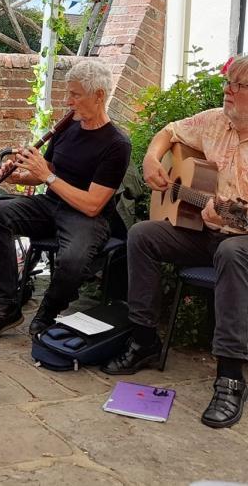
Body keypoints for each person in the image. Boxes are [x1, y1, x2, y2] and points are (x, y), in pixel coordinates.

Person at [102, 55, 248, 429]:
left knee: (232, 252)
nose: (227, 90)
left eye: (238, 85)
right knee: (143, 235)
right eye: (227, 82)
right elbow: (169, 132)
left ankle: (230, 376)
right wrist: (152, 158)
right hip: (205, 233)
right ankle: (145, 339)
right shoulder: (214, 121)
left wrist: (228, 215)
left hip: (241, 241)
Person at [0, 59, 131, 342]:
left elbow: (93, 203)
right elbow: (51, 172)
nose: (68, 101)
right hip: (51, 205)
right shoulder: (68, 127)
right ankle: (6, 307)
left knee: (72, 259)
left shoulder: (117, 144)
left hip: (87, 216)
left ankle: (48, 311)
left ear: (99, 96)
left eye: (75, 95)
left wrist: (47, 177)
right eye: (68, 93)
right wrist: (19, 177)